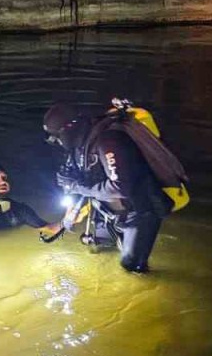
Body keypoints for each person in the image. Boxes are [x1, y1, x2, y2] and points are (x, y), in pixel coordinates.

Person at [42, 102, 181, 273]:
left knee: (131, 268)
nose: (57, 142)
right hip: (109, 208)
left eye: (57, 136)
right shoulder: (79, 147)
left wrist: (78, 187)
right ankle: (119, 238)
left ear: (70, 127)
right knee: (101, 246)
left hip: (139, 211)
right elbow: (76, 187)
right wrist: (64, 221)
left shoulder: (109, 141)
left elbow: (120, 187)